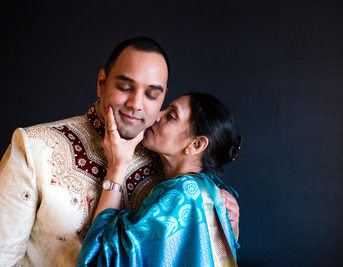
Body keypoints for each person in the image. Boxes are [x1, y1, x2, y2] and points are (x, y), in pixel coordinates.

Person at [0, 37, 239, 266]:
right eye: (125, 87)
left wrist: (228, 221)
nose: (136, 104)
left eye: (151, 95)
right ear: (101, 83)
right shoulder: (34, 147)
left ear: (163, 96)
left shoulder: (169, 163)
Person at [78, 92, 240, 266]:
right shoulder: (207, 193)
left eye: (171, 116)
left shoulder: (184, 192)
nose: (157, 116)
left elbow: (104, 258)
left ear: (196, 144)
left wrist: (116, 169)